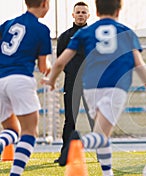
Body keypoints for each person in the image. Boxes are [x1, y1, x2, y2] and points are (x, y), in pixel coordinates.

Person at [43, 0, 146, 176]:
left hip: (91, 87)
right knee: (101, 135)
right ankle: (79, 143)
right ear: (119, 9)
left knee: (103, 134)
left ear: (95, 10)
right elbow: (138, 63)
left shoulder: (85, 33)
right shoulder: (126, 32)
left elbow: (60, 61)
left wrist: (52, 79)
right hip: (115, 87)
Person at [0, 0, 52, 176]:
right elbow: (42, 66)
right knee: (29, 132)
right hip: (20, 79)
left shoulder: (8, 24)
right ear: (45, 3)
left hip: (0, 78)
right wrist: (51, 72)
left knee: (12, 129)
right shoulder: (41, 29)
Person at [54, 1, 94, 163]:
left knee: (95, 118)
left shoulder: (95, 35)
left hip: (92, 84)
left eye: (84, 12)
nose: (80, 15)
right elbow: (60, 60)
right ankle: (66, 153)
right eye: (78, 12)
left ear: (88, 15)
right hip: (71, 84)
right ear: (73, 14)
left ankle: (103, 153)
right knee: (70, 119)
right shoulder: (65, 36)